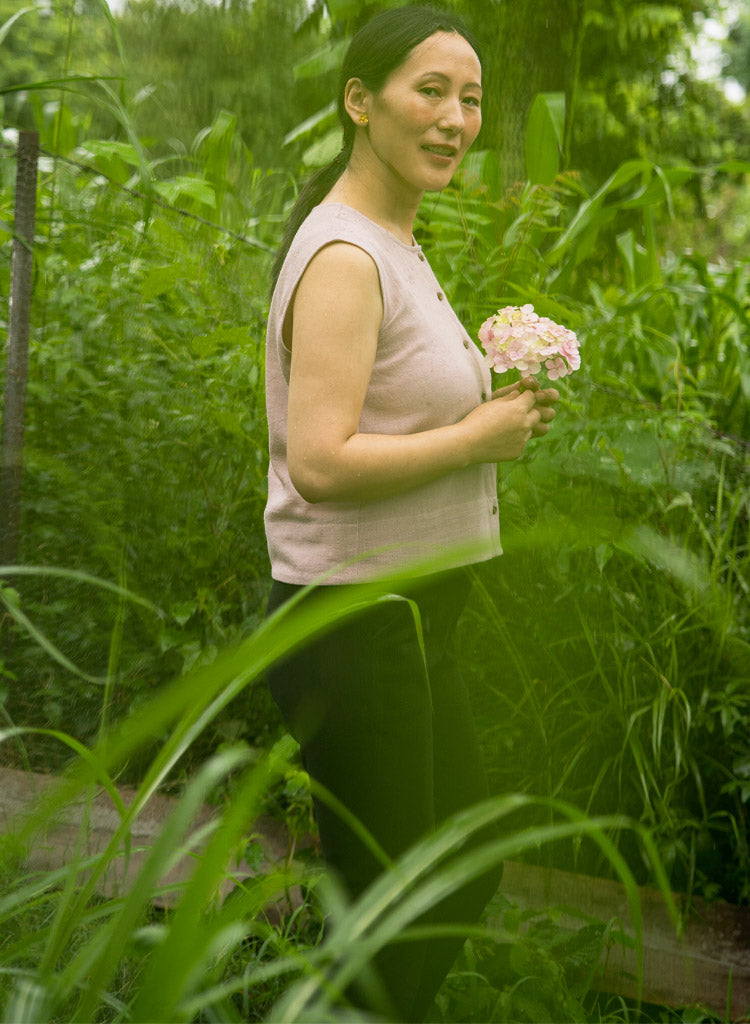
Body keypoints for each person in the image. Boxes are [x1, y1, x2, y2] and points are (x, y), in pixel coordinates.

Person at [263, 5, 559, 1019]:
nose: (455, 118)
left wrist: (498, 404)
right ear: (360, 100)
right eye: (429, 90)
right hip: (354, 623)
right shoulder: (346, 256)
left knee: (457, 868)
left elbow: (391, 411)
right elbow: (321, 462)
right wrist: (476, 440)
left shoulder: (396, 241)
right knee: (396, 913)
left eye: (469, 97)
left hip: (413, 613)